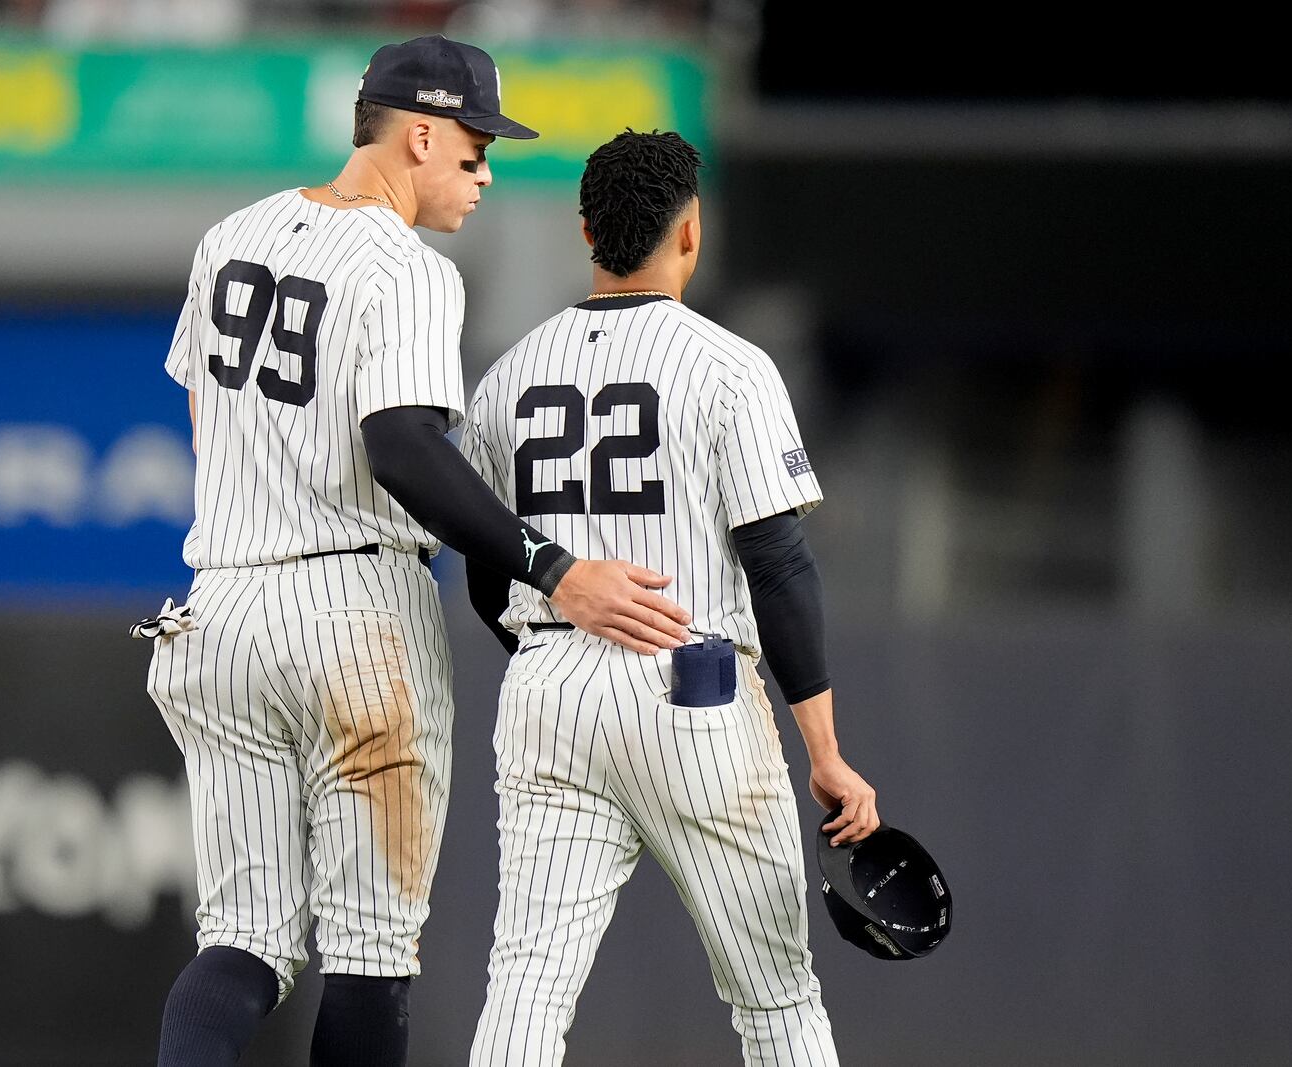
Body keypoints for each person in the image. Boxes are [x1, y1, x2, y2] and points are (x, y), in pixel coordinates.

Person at [140, 40, 691, 1067]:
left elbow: (202, 416)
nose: (484, 178)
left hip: (215, 605)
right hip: (351, 610)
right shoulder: (405, 267)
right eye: (476, 153)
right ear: (421, 132)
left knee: (244, 941)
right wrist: (555, 570)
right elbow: (400, 446)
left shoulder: (233, 233)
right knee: (370, 946)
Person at [460, 130, 879, 1066]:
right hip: (693, 682)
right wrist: (826, 753)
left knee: (526, 984)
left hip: (548, 681)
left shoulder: (511, 374)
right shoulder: (731, 367)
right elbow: (778, 564)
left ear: (585, 231)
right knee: (773, 999)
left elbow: (493, 569)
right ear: (690, 233)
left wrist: (555, 657)